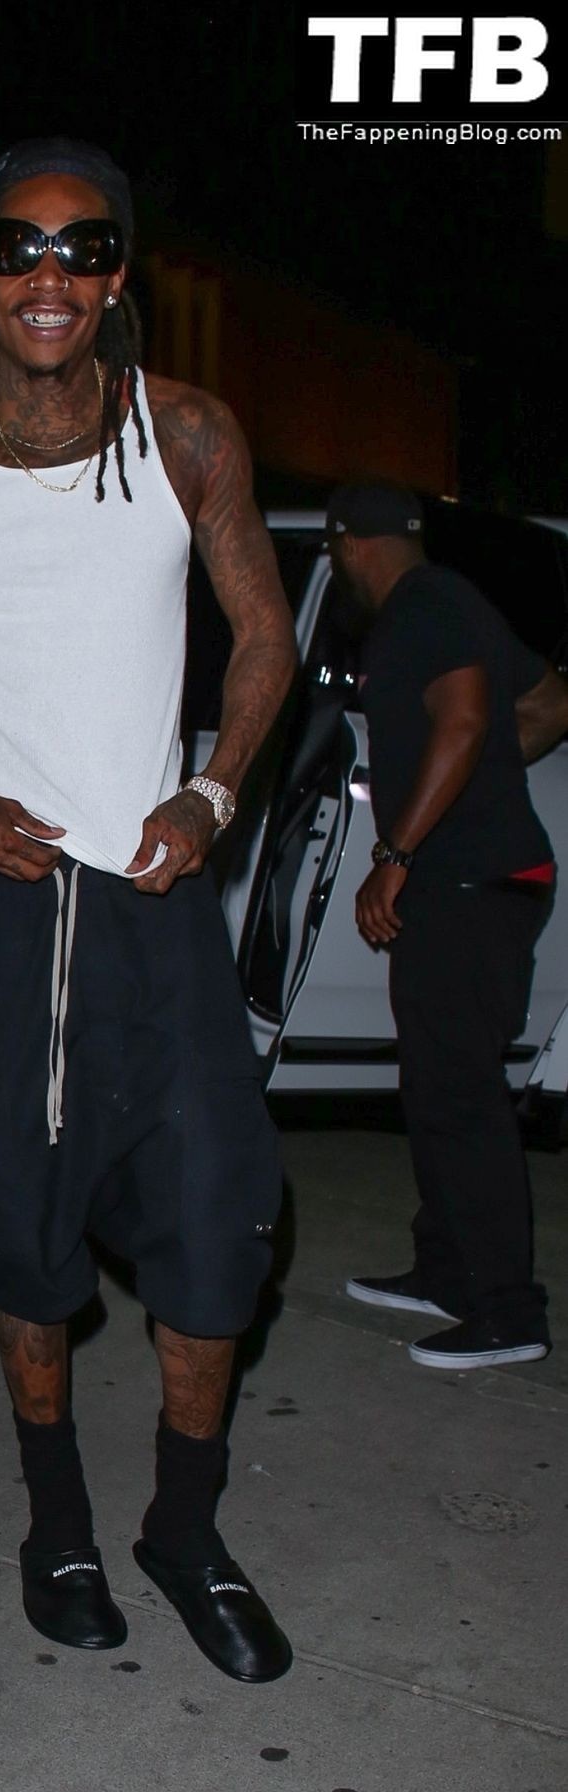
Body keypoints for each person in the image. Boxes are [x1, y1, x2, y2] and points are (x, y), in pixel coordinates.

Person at [0, 139, 296, 1681]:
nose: (48, 277)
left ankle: (185, 1530)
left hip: (157, 907)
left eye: (81, 251)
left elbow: (265, 637)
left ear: (114, 278)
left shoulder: (187, 435)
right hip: (10, 911)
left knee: (219, 1231)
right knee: (26, 1243)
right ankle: (59, 1521)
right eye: (18, 248)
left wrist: (211, 793)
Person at [330, 483, 568, 1369]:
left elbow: (465, 720)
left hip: (473, 882)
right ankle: (447, 1273)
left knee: (463, 1097)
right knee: (436, 1086)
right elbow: (548, 704)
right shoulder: (446, 604)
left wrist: (397, 850)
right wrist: (485, 776)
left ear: (346, 544)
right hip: (465, 878)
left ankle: (509, 1313)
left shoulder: (424, 606)